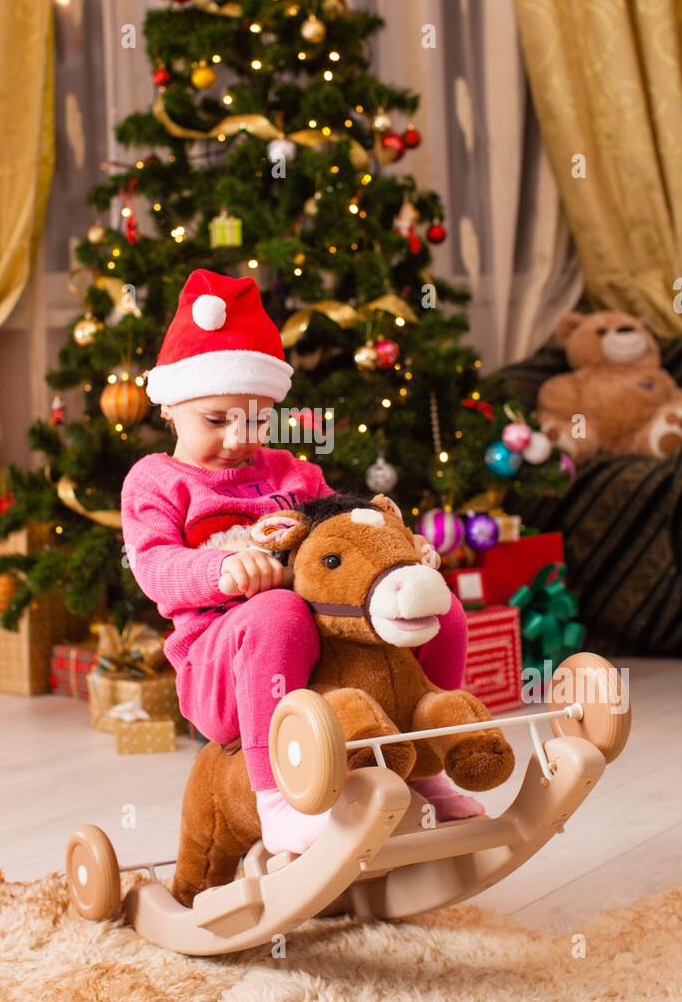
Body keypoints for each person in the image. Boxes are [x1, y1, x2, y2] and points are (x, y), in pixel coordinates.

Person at [121, 268, 483, 856]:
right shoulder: (158, 480)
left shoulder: (291, 472)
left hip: (325, 647)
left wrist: (396, 553)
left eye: (257, 418)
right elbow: (153, 565)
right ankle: (276, 798)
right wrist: (222, 570)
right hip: (218, 663)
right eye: (217, 419)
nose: (240, 437)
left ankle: (426, 755)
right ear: (170, 405)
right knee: (279, 611)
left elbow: (345, 528)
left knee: (438, 608)